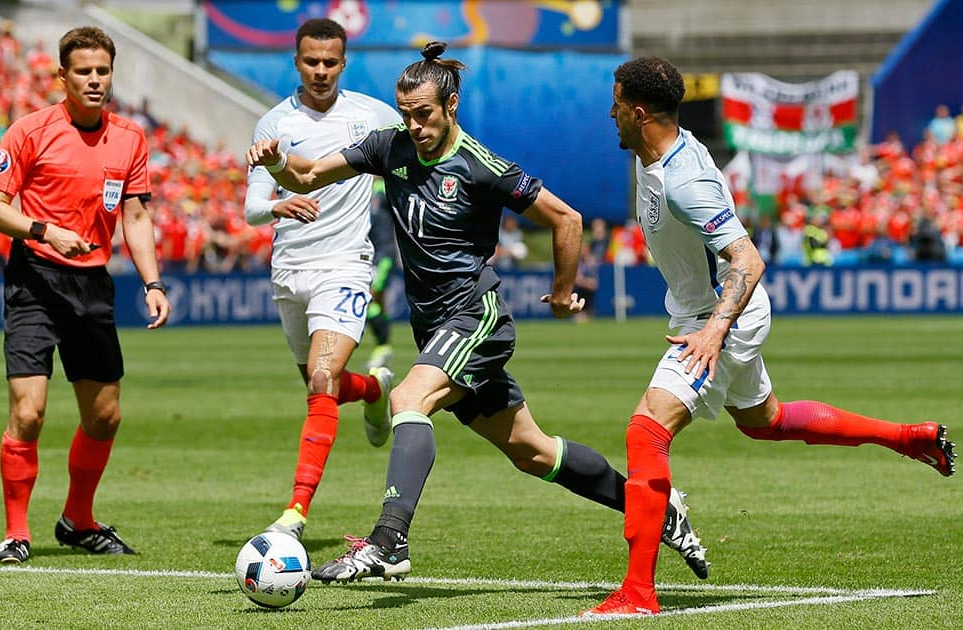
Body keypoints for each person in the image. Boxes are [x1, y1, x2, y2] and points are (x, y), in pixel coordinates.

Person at [248, 41, 709, 585]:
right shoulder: (387, 148)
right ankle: (657, 509)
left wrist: (562, 293)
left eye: (424, 115)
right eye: (406, 115)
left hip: (475, 316)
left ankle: (388, 541)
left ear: (451, 107)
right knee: (533, 452)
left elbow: (566, 219)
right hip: (436, 328)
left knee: (407, 397)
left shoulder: (480, 167)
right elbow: (306, 176)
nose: (414, 126)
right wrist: (277, 160)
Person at [584, 56, 956, 617]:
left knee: (645, 433)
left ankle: (637, 595)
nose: (608, 114)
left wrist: (713, 330)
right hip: (718, 313)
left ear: (638, 114)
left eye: (615, 104)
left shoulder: (684, 181)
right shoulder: (653, 154)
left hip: (720, 318)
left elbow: (747, 257)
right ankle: (908, 436)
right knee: (768, 421)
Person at [0, 26, 171, 564]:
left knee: (104, 416)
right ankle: (17, 534)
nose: (94, 80)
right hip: (35, 278)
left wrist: (154, 282)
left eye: (102, 71)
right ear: (61, 76)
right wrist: (44, 230)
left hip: (92, 283)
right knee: (29, 411)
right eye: (83, 71)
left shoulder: (130, 137)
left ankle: (78, 520)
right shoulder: (29, 131)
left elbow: (135, 215)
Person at [242, 18, 401, 542]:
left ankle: (295, 512)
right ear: (296, 61)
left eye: (330, 62)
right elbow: (249, 210)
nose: (321, 71)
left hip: (345, 265)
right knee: (320, 386)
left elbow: (418, 150)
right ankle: (375, 390)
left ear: (343, 63)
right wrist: (277, 206)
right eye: (311, 61)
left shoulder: (372, 116)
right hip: (290, 271)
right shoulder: (273, 124)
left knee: (321, 379)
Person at [364, 178, 396, 370]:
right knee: (377, 304)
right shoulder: (362, 188)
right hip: (366, 254)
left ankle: (382, 347)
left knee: (368, 299)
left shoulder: (384, 188)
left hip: (383, 254)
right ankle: (383, 348)